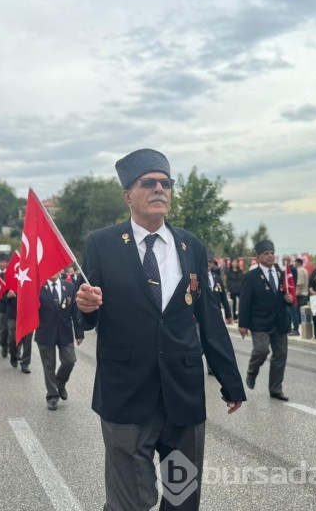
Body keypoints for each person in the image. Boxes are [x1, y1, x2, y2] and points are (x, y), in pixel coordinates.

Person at [76, 148, 245, 511]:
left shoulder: (191, 246)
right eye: (148, 183)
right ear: (128, 196)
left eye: (165, 183)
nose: (159, 189)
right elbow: (86, 314)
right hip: (125, 394)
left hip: (182, 396)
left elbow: (209, 318)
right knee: (129, 503)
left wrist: (231, 380)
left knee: (183, 498)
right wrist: (85, 307)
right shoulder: (101, 244)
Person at [238, 240, 294, 402]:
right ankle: (252, 371)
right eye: (266, 254)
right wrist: (243, 324)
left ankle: (276, 389)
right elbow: (244, 302)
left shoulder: (280, 273)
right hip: (260, 322)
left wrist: (288, 299)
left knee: (280, 355)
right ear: (258, 257)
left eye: (272, 253)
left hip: (279, 322)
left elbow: (284, 294)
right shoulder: (251, 276)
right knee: (261, 350)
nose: (270, 256)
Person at [35, 274, 84, 410]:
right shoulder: (38, 288)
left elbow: (75, 311)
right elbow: (30, 308)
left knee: (70, 360)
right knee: (49, 365)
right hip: (45, 332)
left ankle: (60, 382)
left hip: (65, 331)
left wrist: (79, 333)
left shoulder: (69, 286)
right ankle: (52, 395)